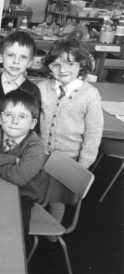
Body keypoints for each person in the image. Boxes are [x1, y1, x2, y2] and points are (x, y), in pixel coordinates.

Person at [38, 37, 103, 227]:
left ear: (81, 64)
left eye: (70, 63)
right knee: (37, 192)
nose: (63, 69)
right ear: (49, 66)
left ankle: (51, 232)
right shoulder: (42, 88)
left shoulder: (90, 95)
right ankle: (34, 227)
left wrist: (83, 165)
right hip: (40, 155)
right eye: (56, 64)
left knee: (57, 199)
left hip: (70, 160)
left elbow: (93, 134)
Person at [0, 90, 45, 240]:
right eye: (9, 115)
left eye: (23, 116)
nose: (14, 121)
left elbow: (19, 177)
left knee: (15, 233)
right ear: (0, 119)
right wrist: (10, 159)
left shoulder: (35, 145)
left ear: (32, 123)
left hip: (22, 195)